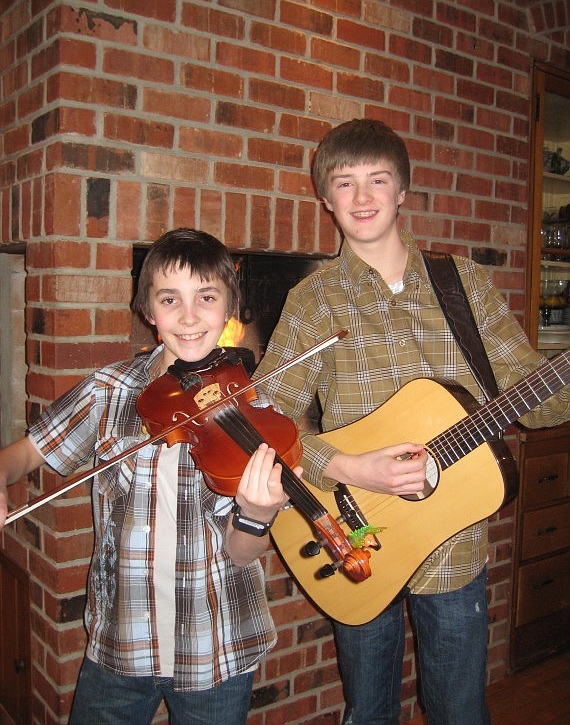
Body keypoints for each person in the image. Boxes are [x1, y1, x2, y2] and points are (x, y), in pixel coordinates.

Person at [254, 119, 570, 725]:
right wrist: (346, 465)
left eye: (378, 180)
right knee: (369, 713)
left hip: (454, 547)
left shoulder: (464, 284)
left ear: (403, 191)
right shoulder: (313, 301)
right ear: (326, 199)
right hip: (354, 539)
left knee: (460, 713)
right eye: (345, 184)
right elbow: (266, 418)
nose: (364, 197)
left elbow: (533, 391)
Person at [0, 228, 298, 725]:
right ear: (149, 311)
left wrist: (256, 514)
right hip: (121, 641)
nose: (188, 316)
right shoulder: (110, 390)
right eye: (169, 299)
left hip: (215, 647)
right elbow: (24, 454)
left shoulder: (256, 413)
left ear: (228, 309)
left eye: (206, 297)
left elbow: (241, 553)